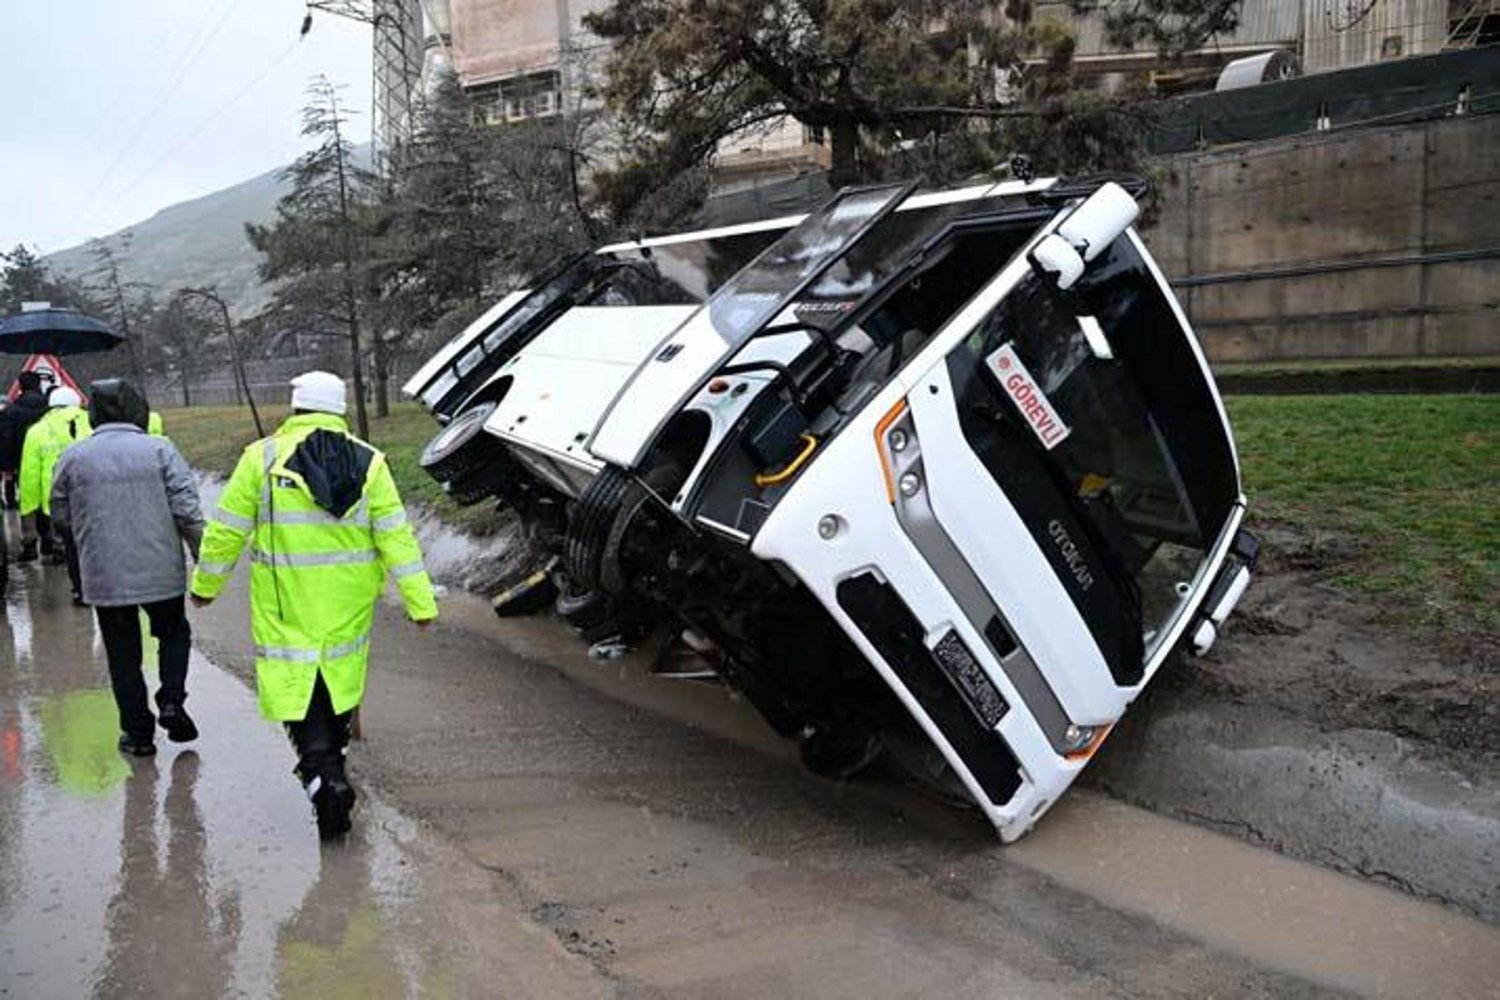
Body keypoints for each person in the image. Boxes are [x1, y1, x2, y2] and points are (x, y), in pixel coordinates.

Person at [190, 371, 437, 840]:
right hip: (348, 602)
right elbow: (396, 537)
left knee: (298, 690)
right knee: (336, 684)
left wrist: (206, 586)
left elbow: (226, 531)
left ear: (296, 408)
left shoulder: (260, 459)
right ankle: (332, 770)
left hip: (286, 604)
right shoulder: (372, 462)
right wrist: (419, 602)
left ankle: (323, 775)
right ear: (340, 409)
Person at [51, 379, 205, 757]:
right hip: (160, 571)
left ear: (94, 414)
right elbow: (187, 510)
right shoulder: (160, 450)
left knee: (122, 654)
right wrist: (204, 560)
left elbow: (60, 514)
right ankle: (171, 698)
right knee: (173, 633)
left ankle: (138, 734)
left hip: (105, 574)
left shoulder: (73, 457)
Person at [19, 386, 91, 585]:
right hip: (89, 491)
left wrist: (28, 507)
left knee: (64, 537)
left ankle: (62, 554)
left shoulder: (37, 431)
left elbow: (29, 474)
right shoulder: (92, 422)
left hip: (54, 496)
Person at [1, 371, 50, 523]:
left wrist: (7, 468)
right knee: (48, 497)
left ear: (20, 386)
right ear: (39, 385)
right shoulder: (51, 409)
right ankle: (48, 535)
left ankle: (30, 535)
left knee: (28, 499)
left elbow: (6, 440)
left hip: (21, 463)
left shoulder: (10, 412)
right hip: (49, 458)